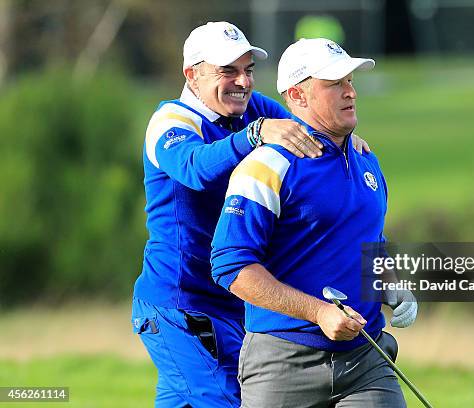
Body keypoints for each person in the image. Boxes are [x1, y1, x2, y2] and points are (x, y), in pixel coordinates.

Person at [131, 22, 371, 407]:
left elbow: (305, 129)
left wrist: (341, 139)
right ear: (192, 75)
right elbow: (194, 168)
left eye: (248, 70)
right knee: (226, 400)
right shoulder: (171, 121)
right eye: (228, 71)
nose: (242, 81)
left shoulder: (250, 109)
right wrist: (254, 134)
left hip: (233, 301)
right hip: (180, 303)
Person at [211, 38, 418, 407]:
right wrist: (318, 312)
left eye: (350, 81)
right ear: (298, 95)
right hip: (282, 361)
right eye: (335, 84)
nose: (350, 92)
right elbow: (231, 267)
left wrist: (390, 283)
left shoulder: (366, 159)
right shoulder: (266, 167)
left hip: (365, 358)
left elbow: (369, 239)